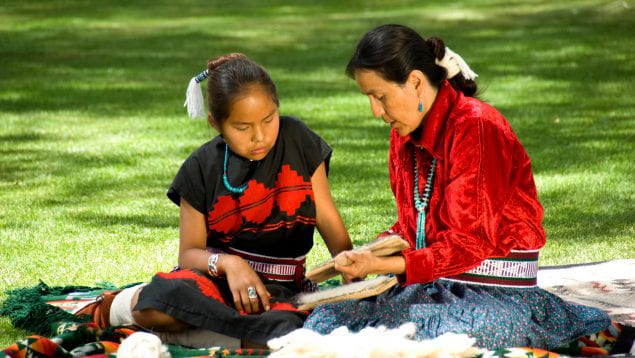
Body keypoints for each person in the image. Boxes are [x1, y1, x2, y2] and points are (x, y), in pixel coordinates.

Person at [303, 24, 611, 350]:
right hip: (433, 285)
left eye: (380, 97)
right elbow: (414, 226)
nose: (376, 112)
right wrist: (370, 254)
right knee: (328, 318)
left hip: (497, 294)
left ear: (416, 82)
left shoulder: (476, 127)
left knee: (423, 337)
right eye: (370, 99)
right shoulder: (403, 136)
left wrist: (382, 265)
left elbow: (470, 241)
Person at [102, 53, 352, 347]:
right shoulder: (200, 168)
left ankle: (179, 335)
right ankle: (115, 307)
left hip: (278, 291)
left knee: (287, 334)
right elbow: (190, 253)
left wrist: (352, 271)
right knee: (164, 302)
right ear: (215, 123)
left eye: (269, 119)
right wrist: (230, 264)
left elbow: (327, 217)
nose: (259, 136)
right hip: (215, 283)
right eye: (243, 128)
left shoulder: (299, 141)